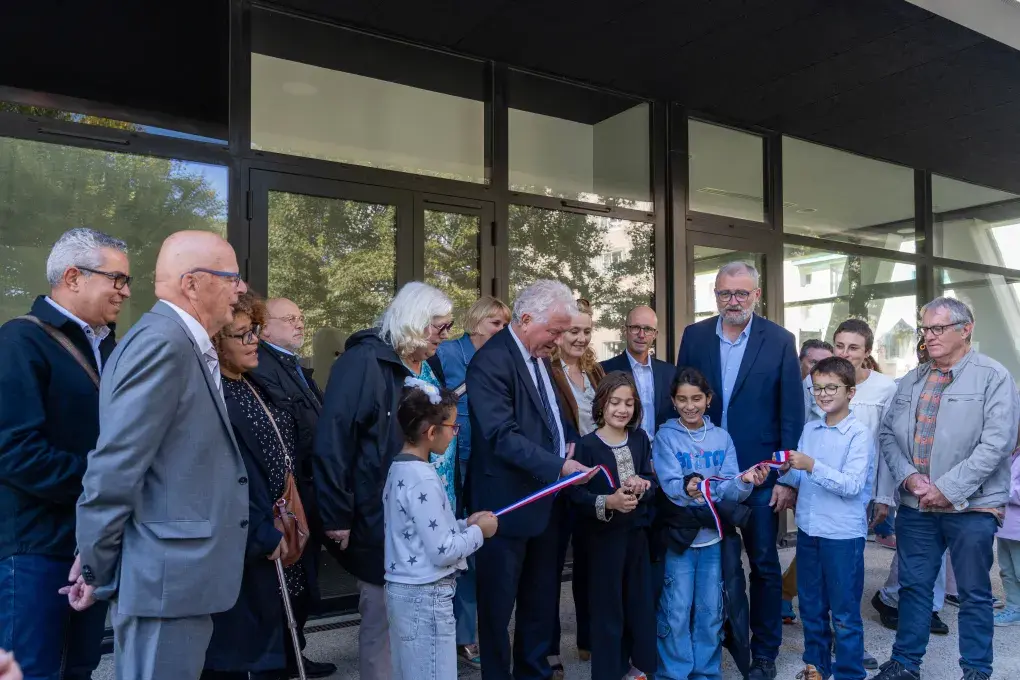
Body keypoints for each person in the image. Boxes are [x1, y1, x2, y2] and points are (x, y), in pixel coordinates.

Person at [74, 231, 250, 680]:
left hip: (177, 580)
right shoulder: (162, 343)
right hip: (165, 581)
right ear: (192, 284)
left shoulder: (180, 341)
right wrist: (94, 564)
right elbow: (115, 466)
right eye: (231, 277)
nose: (241, 288)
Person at [0, 228, 129, 680]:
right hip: (35, 547)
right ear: (73, 276)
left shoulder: (112, 348)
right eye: (117, 279)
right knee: (31, 671)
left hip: (90, 543)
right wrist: (104, 486)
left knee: (79, 668)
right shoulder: (20, 341)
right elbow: (13, 451)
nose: (126, 292)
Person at [874, 297, 1020, 680]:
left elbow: (998, 443)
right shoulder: (913, 378)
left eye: (938, 328)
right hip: (917, 505)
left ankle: (976, 670)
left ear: (966, 328)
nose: (929, 336)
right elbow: (888, 433)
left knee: (973, 594)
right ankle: (905, 664)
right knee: (914, 588)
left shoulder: (994, 376)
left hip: (971, 508)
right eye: (925, 328)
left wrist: (948, 488)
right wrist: (908, 477)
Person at [314, 281, 452, 680]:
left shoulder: (428, 364)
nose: (445, 336)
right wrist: (336, 514)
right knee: (383, 621)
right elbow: (334, 440)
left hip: (426, 507)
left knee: (417, 623)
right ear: (415, 322)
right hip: (382, 513)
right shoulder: (363, 362)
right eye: (439, 327)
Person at [675, 261, 803, 680]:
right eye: (725, 294)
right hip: (705, 474)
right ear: (715, 295)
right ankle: (712, 644)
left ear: (756, 295)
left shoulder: (780, 340)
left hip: (761, 476)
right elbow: (679, 401)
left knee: (763, 563)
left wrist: (785, 477)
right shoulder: (694, 336)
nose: (733, 301)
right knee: (711, 563)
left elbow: (791, 415)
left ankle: (763, 652)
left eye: (741, 294)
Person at [466, 279, 593, 680]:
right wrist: (557, 466)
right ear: (525, 319)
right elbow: (500, 435)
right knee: (498, 606)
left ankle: (533, 672)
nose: (558, 340)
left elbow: (556, 420)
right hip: (504, 505)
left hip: (547, 502)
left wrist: (570, 448)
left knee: (540, 601)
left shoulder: (538, 356)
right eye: (554, 331)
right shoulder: (491, 361)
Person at [199, 292, 322, 680]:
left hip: (280, 523)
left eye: (254, 331)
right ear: (217, 342)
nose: (253, 341)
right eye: (242, 335)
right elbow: (221, 477)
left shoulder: (256, 383)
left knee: (278, 638)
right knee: (238, 650)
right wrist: (259, 531)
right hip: (247, 536)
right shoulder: (213, 394)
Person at [653, 367, 769, 680]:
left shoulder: (721, 438)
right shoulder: (665, 437)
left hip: (714, 539)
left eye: (696, 398)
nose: (689, 405)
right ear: (673, 402)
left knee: (710, 609)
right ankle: (674, 673)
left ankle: (705, 672)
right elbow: (671, 486)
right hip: (680, 538)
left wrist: (745, 481)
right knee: (675, 609)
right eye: (682, 399)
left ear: (708, 399)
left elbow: (728, 489)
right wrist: (689, 489)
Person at [384, 379, 498, 680]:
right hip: (428, 596)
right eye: (452, 427)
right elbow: (442, 551)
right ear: (431, 432)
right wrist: (479, 533)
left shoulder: (399, 468)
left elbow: (418, 531)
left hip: (405, 591)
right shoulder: (423, 478)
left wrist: (464, 524)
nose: (454, 433)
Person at [249, 297, 335, 678]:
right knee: (292, 578)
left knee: (305, 579)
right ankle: (285, 659)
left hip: (310, 488)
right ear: (264, 328)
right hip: (291, 492)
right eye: (289, 319)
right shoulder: (262, 366)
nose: (299, 325)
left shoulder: (293, 366)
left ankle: (295, 652)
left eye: (301, 318)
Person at [780, 356, 875, 680]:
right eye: (817, 388)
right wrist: (785, 474)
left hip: (842, 535)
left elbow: (851, 485)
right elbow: (801, 477)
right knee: (811, 605)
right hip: (809, 529)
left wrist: (811, 466)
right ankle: (816, 666)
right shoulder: (811, 428)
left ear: (850, 392)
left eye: (831, 387)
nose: (823, 394)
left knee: (845, 611)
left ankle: (849, 672)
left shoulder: (858, 434)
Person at [435, 295, 511, 669]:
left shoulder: (504, 359)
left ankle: (468, 634)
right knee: (451, 545)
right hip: (449, 462)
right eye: (495, 323)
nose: (501, 330)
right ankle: (453, 633)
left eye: (505, 324)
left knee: (473, 548)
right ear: (477, 322)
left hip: (486, 462)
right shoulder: (448, 353)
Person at [567, 372, 657, 680]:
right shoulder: (587, 446)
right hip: (603, 542)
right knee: (608, 609)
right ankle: (609, 671)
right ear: (601, 404)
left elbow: (652, 481)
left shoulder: (641, 439)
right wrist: (608, 502)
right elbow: (575, 494)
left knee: (639, 604)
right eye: (615, 402)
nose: (622, 409)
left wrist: (644, 485)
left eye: (629, 403)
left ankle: (639, 668)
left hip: (637, 538)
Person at [547, 297, 603, 671]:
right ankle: (549, 651)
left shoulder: (596, 373)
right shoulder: (544, 370)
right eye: (572, 331)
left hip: (592, 479)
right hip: (556, 479)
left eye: (585, 331)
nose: (580, 338)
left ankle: (588, 638)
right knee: (549, 569)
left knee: (589, 564)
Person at [782, 339, 834, 625]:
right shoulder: (795, 395)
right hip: (801, 481)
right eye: (813, 362)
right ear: (801, 362)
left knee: (819, 545)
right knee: (813, 544)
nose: (819, 367)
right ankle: (792, 595)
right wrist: (790, 484)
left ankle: (787, 591)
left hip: (830, 480)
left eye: (824, 362)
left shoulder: (833, 392)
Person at [601, 305, 676, 439]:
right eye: (635, 328)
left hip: (661, 452)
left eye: (647, 329)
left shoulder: (670, 373)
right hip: (622, 451)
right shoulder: (604, 370)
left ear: (655, 334)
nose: (641, 335)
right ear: (625, 331)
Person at [994, 446, 1020, 627]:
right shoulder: (1014, 454)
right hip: (1005, 526)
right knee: (1007, 570)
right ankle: (1014, 608)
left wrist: (1002, 489)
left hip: (1017, 529)